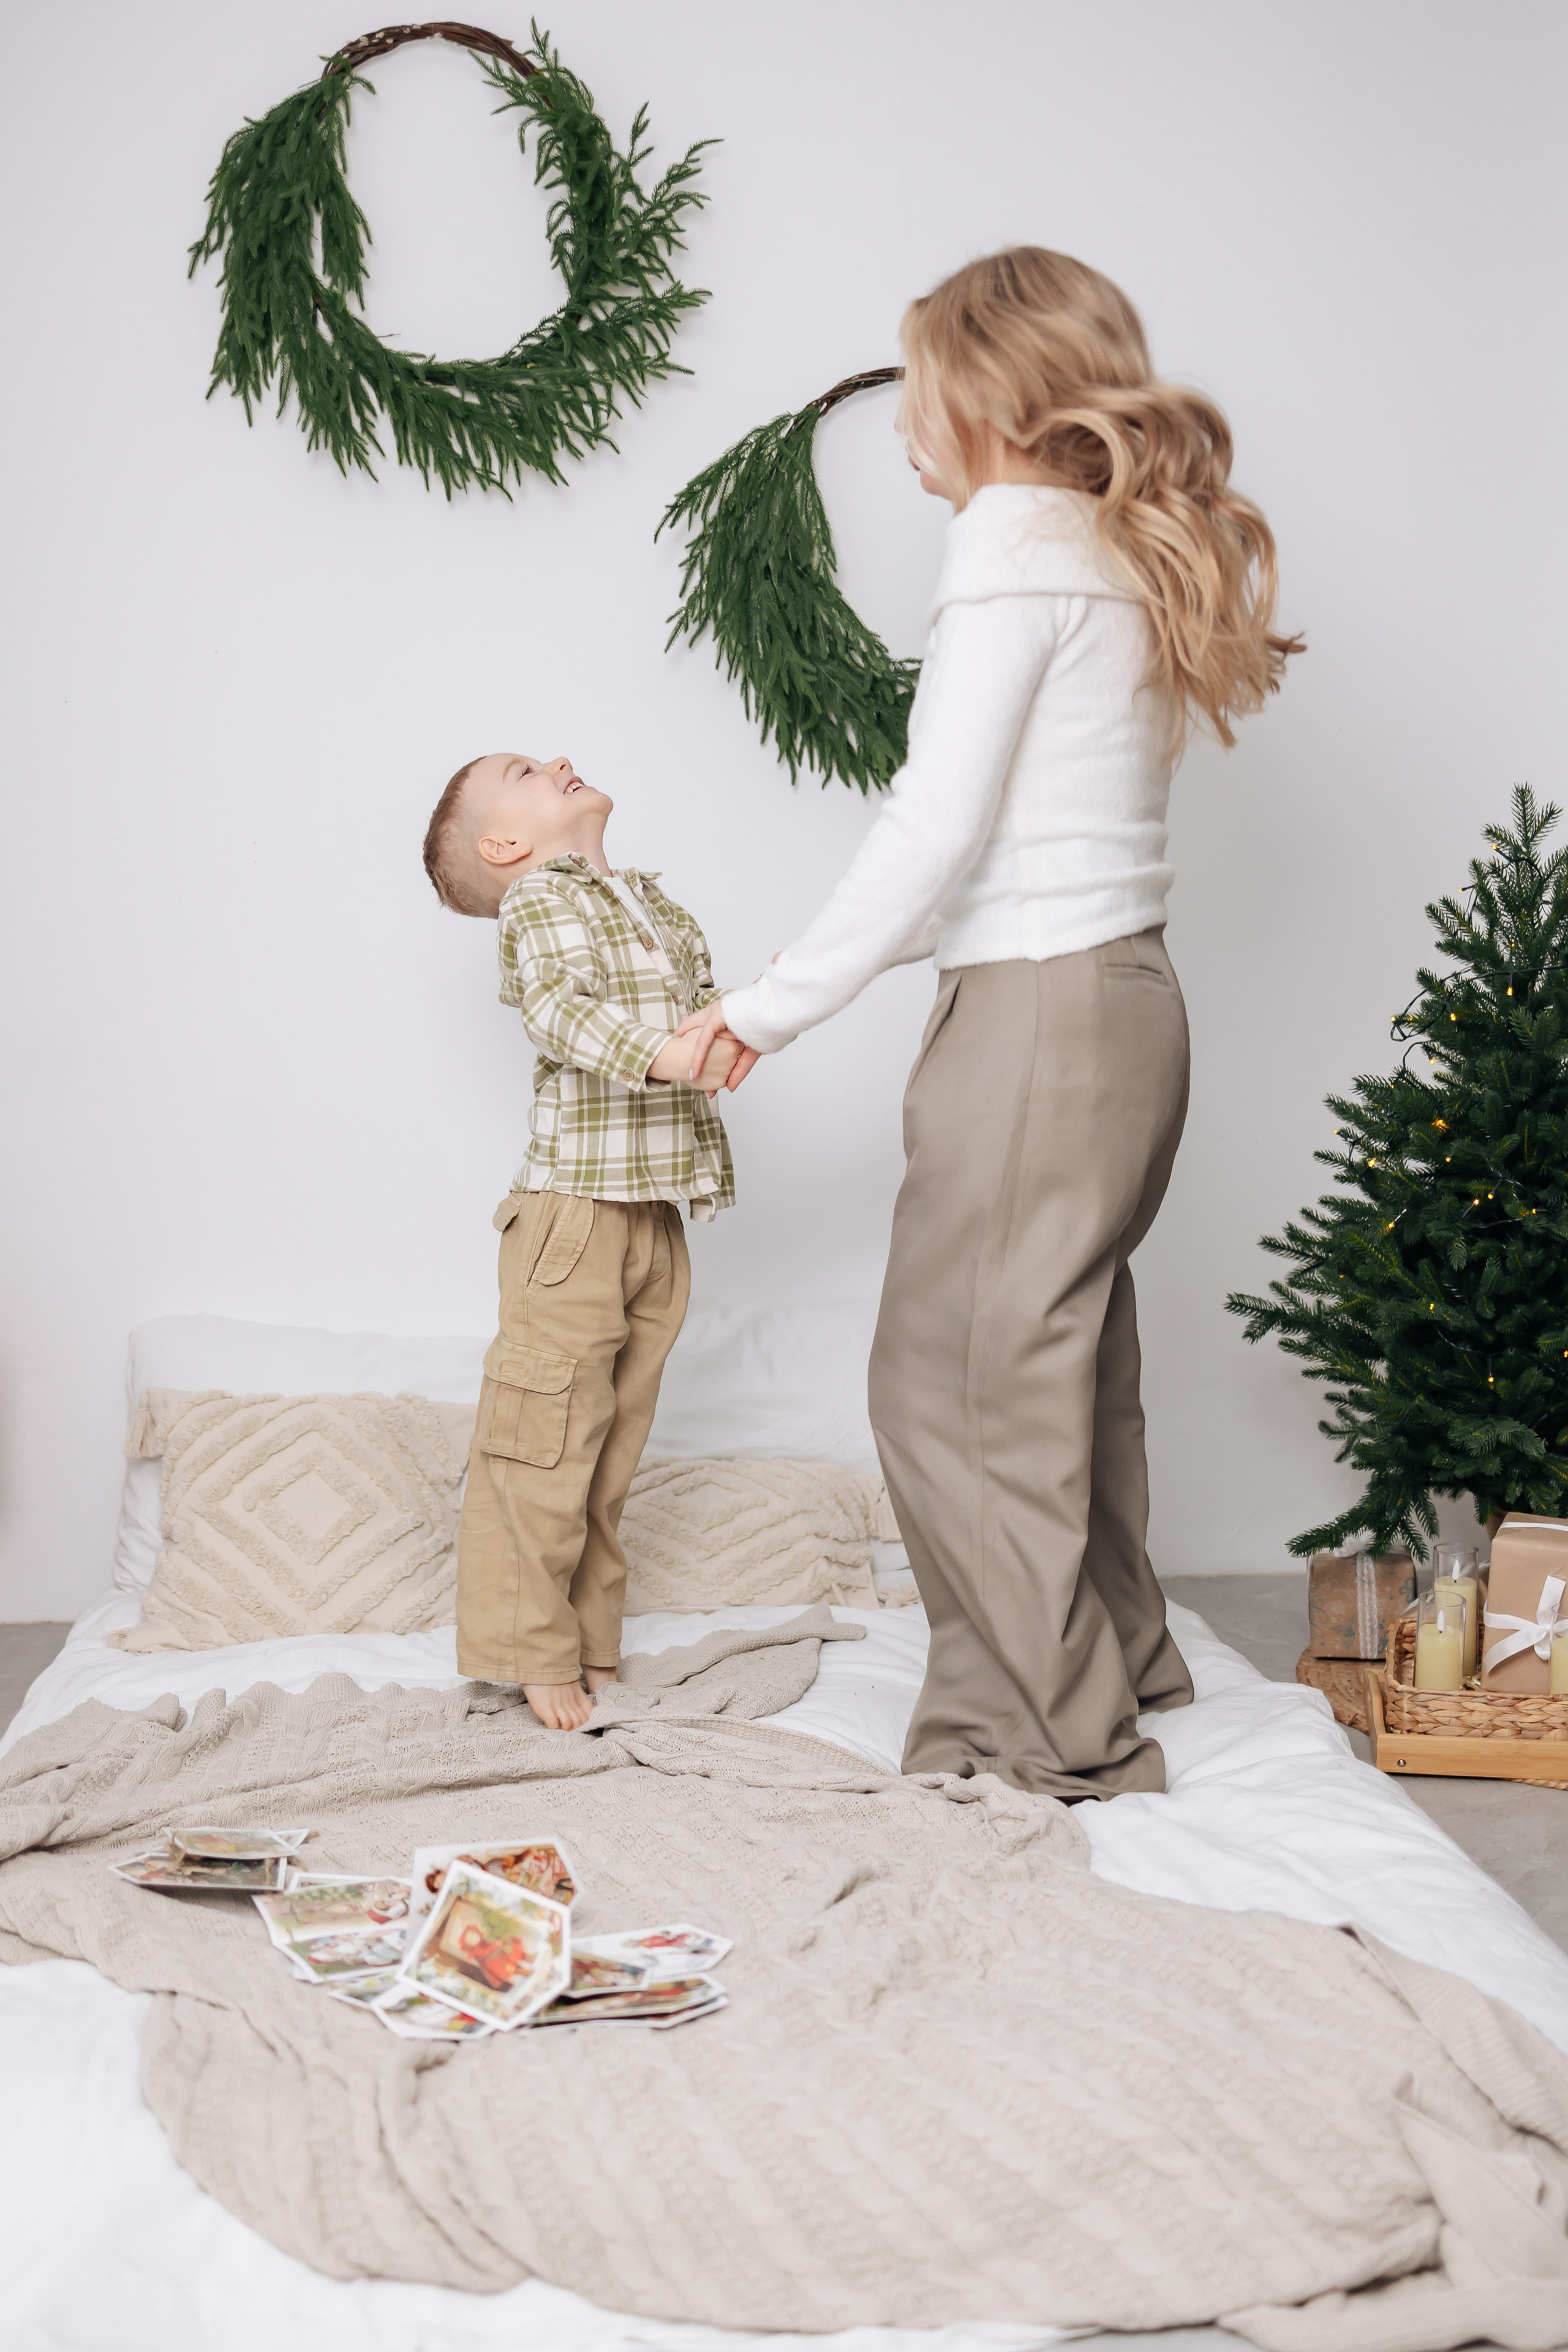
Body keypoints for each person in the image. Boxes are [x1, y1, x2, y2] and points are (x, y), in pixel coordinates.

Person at [681, 248, 1300, 1801]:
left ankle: (1039, 1729)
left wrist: (767, 1005)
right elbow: (1024, 833)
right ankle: (1113, 1653)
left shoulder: (1011, 538)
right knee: (1056, 1362)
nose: (906, 417)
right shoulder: (1100, 545)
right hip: (1120, 1001)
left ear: (995, 392)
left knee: (951, 1377)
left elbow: (935, 825)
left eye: (922, 381)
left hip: (1040, 1013)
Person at [422, 751, 744, 1728]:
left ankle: (592, 1634)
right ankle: (529, 1647)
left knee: (611, 1447)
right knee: (542, 1444)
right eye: (526, 769)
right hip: (573, 1215)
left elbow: (697, 1012)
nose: (560, 761)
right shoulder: (542, 904)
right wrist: (665, 1053)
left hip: (652, 1210)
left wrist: (730, 1028)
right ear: (506, 844)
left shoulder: (643, 902)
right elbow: (560, 1011)